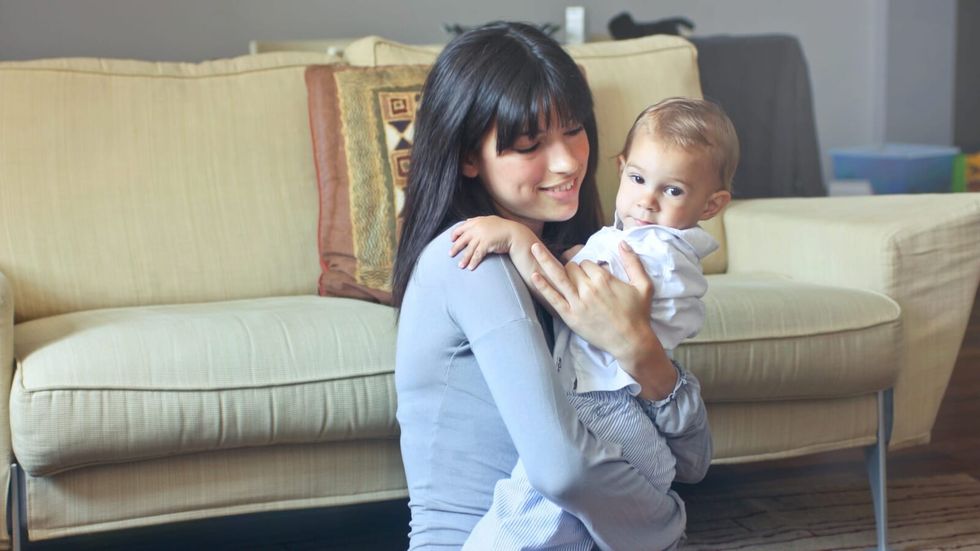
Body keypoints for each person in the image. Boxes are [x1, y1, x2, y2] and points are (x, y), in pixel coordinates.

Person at [393, 21, 712, 551]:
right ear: (469, 157)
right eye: (528, 144)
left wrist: (638, 349)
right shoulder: (468, 260)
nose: (567, 163)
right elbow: (562, 470)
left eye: (573, 129)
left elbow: (696, 460)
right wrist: (668, 526)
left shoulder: (589, 262)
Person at [449, 97, 738, 549]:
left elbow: (566, 295)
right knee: (575, 529)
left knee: (524, 511)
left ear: (712, 204)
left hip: (603, 405)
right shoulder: (644, 245)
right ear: (621, 167)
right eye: (639, 179)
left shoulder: (654, 250)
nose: (647, 200)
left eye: (673, 190)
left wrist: (515, 236)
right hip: (628, 413)